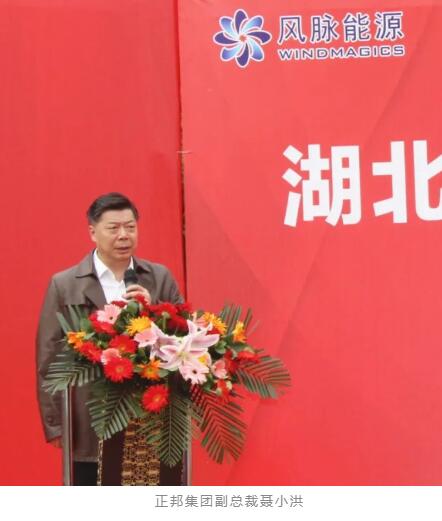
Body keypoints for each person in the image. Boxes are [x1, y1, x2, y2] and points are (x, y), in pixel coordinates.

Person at [36, 192, 183, 485]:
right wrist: (56, 424)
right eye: (113, 228)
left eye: (130, 227)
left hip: (151, 418)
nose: (124, 235)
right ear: (93, 232)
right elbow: (48, 357)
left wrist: (154, 311)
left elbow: (184, 338)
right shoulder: (65, 284)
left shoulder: (159, 277)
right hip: (89, 419)